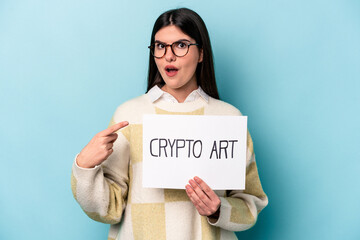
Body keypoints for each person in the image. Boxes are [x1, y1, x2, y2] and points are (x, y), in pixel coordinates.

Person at [71, 7, 268, 240]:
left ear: (202, 53)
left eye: (181, 45)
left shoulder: (229, 118)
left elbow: (251, 203)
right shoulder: (130, 115)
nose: (169, 55)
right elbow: (109, 209)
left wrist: (218, 210)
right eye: (160, 46)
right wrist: (84, 167)